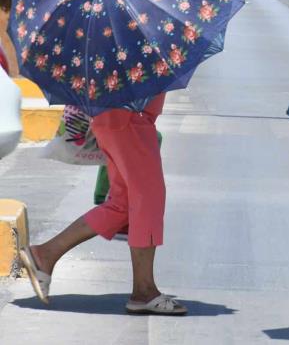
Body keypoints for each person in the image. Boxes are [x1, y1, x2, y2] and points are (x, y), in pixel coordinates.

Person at [19, 93, 186, 315]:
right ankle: (144, 290)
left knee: (123, 203)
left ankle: (45, 254)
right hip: (129, 119)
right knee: (147, 199)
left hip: (121, 118)